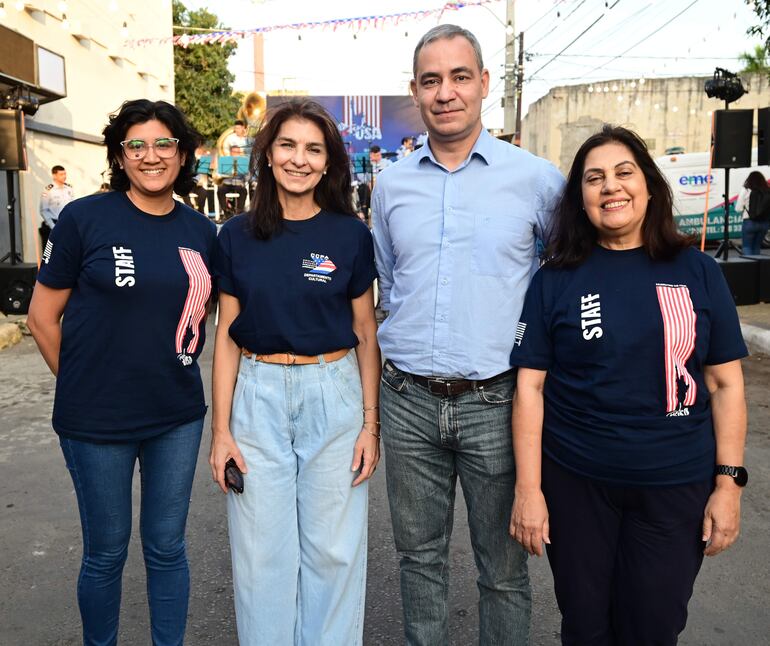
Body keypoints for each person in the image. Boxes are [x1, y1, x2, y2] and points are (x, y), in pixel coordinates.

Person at [509, 125, 748, 645]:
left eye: (623, 173)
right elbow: (530, 387)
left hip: (673, 490)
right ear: (581, 199)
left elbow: (726, 384)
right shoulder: (556, 277)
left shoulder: (698, 270)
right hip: (577, 487)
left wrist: (728, 486)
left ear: (648, 185)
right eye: (594, 179)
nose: (610, 187)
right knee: (586, 628)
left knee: (653, 628)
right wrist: (529, 490)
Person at [371, 24, 564, 645]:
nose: (445, 92)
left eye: (459, 77)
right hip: (406, 402)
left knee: (504, 570)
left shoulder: (537, 181)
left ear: (484, 84)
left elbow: (564, 279)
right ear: (415, 92)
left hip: (498, 402)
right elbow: (388, 279)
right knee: (418, 560)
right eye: (431, 80)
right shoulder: (391, 184)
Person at [26, 99, 216, 646]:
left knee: (166, 547)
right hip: (96, 422)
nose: (150, 156)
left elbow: (224, 316)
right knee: (106, 553)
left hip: (176, 417)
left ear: (182, 155)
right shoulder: (85, 217)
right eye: (137, 145)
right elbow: (41, 318)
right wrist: (85, 385)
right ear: (119, 154)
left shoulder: (202, 232)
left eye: (163, 144)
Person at [209, 98, 380, 646]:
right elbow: (226, 337)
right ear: (267, 154)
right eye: (287, 145)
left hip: (333, 390)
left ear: (328, 163)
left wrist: (370, 425)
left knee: (334, 550)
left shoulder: (350, 235)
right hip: (256, 395)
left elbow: (366, 332)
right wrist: (221, 432)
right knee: (261, 553)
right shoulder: (234, 236)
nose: (299, 159)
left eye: (313, 149)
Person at [39, 165, 74, 252]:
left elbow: (72, 206)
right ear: (54, 176)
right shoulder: (48, 190)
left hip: (67, 224)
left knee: (67, 251)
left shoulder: (69, 188)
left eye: (65, 174)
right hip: (54, 224)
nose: (64, 176)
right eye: (61, 174)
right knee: (51, 253)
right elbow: (44, 210)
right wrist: (53, 226)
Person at [736, 170, 770, 255]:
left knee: (747, 247)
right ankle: (757, 268)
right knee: (756, 247)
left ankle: (749, 267)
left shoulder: (746, 190)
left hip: (749, 222)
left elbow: (738, 208)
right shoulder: (766, 190)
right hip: (764, 223)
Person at [215, 144, 248, 220]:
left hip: (238, 183)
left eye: (238, 152)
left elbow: (248, 175)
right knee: (220, 190)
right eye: (235, 152)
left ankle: (240, 212)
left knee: (243, 191)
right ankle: (226, 211)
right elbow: (218, 173)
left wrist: (245, 178)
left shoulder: (243, 161)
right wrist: (225, 174)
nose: (237, 153)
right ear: (231, 152)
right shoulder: (224, 160)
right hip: (227, 182)